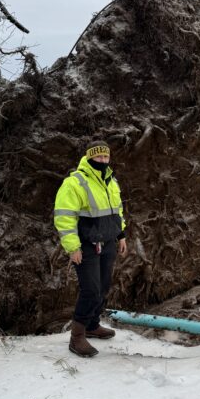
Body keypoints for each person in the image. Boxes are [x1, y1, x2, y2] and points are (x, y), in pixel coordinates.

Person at [54, 141, 127, 357]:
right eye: (99, 158)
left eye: (106, 157)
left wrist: (121, 234)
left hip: (108, 243)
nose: (103, 161)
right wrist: (73, 247)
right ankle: (77, 337)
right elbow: (64, 216)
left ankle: (93, 325)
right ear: (89, 158)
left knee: (103, 287)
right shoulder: (75, 182)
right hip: (86, 246)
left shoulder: (110, 180)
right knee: (91, 290)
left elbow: (117, 210)